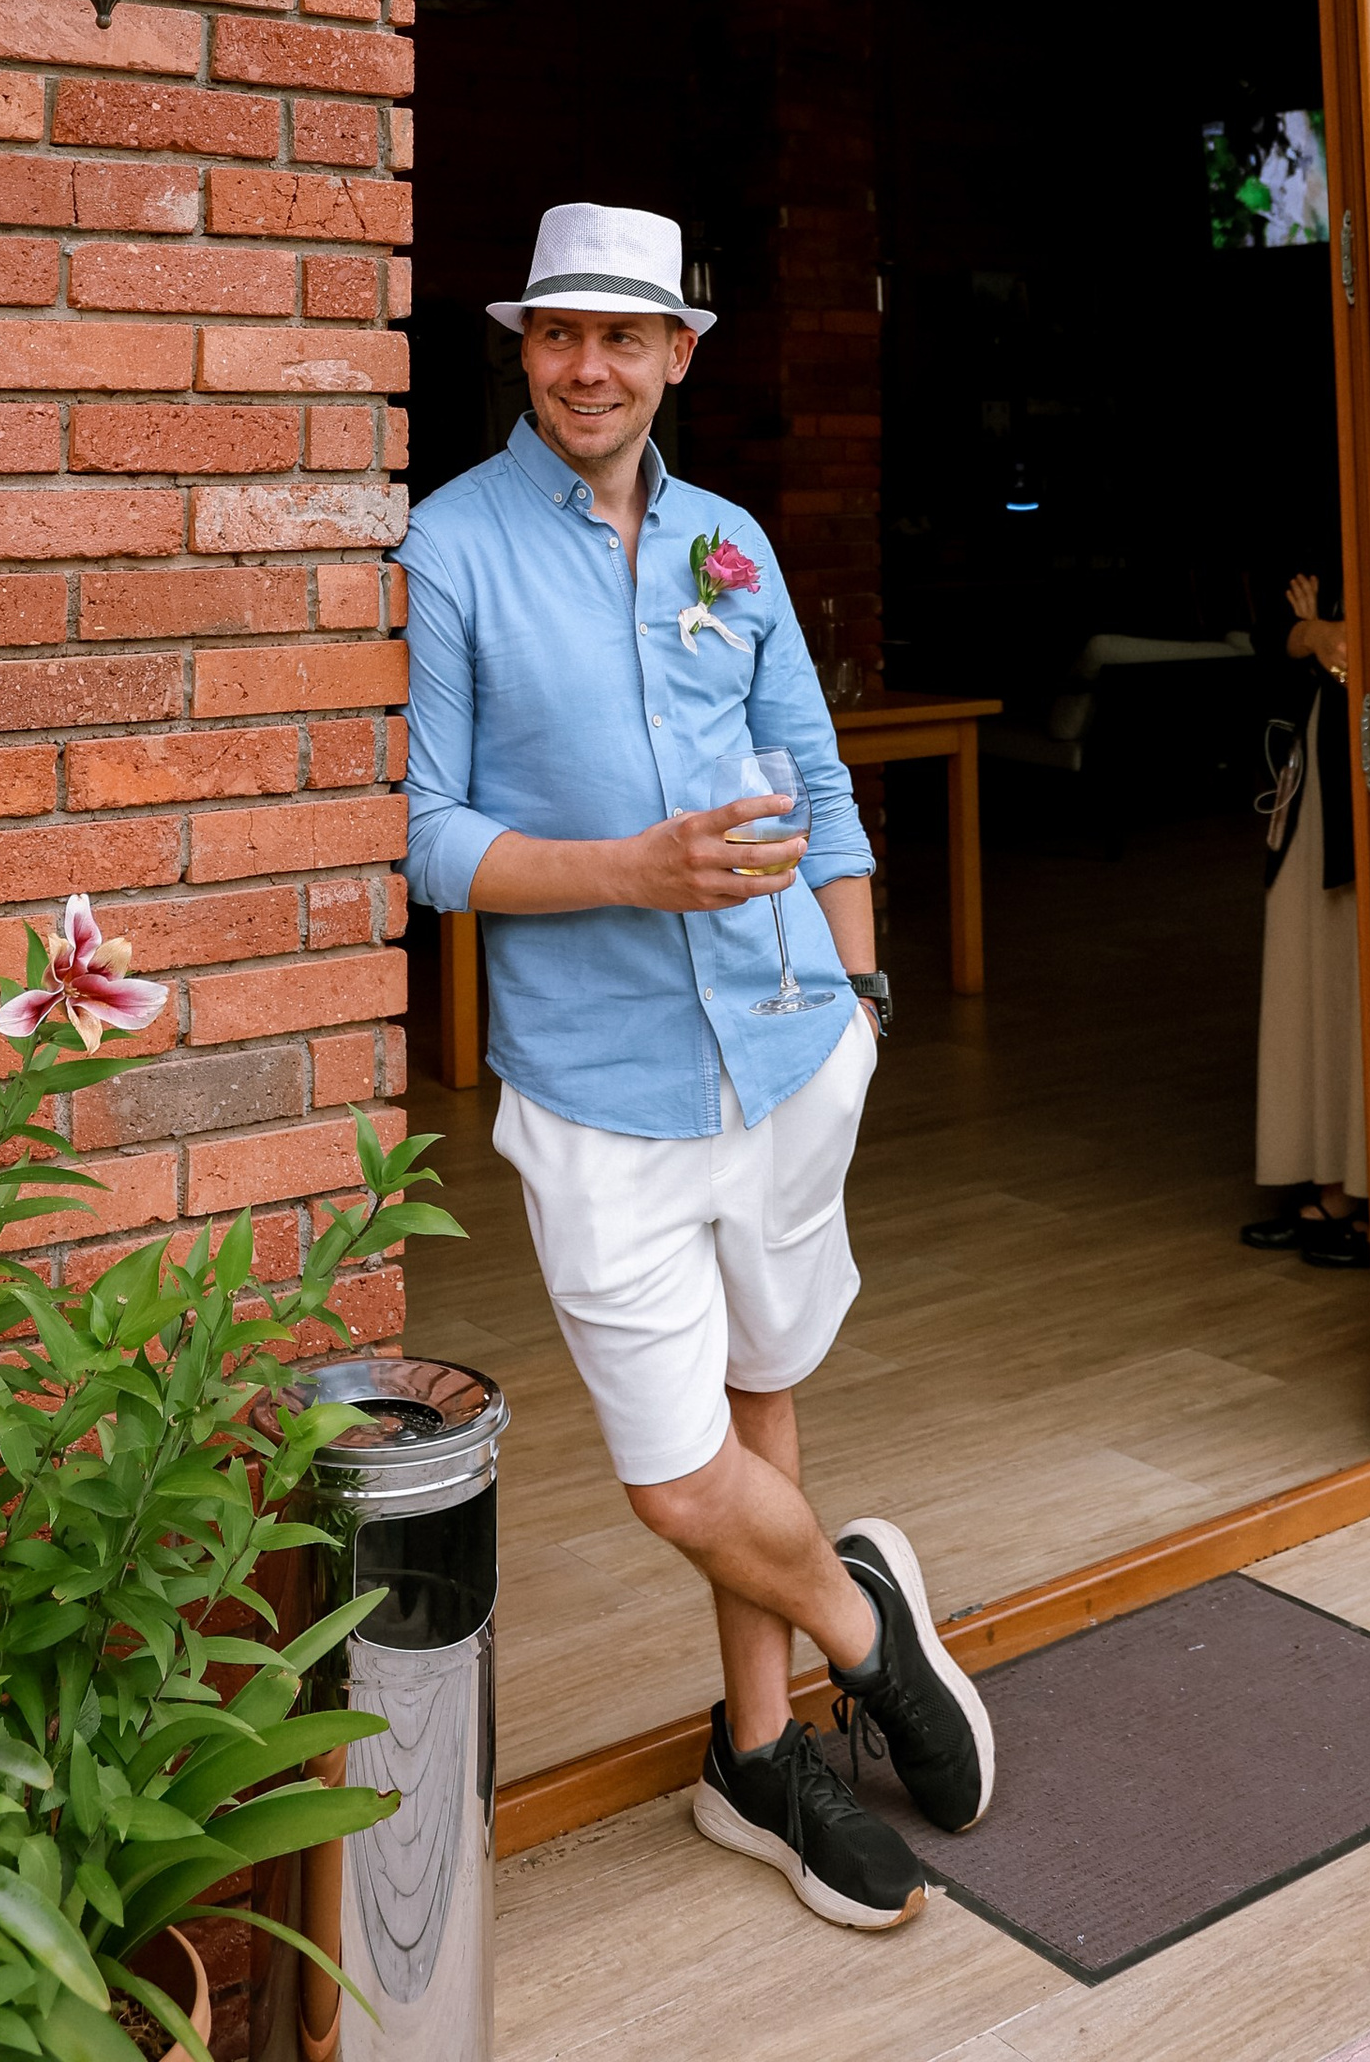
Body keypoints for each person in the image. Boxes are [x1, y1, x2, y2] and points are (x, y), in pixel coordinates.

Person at [400, 201, 994, 1933]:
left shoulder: (730, 544)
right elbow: (429, 841)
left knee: (760, 1396)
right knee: (680, 1478)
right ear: (525, 350)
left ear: (679, 354)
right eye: (558, 334)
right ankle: (864, 1629)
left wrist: (865, 992)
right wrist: (627, 873)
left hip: (792, 1049)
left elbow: (815, 781)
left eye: (624, 336)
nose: (590, 366)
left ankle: (760, 1755)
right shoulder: (451, 546)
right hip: (599, 1092)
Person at [1240, 566, 1369, 1267]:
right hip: (1314, 781)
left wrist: (1328, 645)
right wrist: (1314, 634)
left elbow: (1365, 653)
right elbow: (1267, 637)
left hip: (1367, 786)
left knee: (1351, 978)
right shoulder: (1314, 537)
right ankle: (1332, 1184)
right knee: (1308, 976)